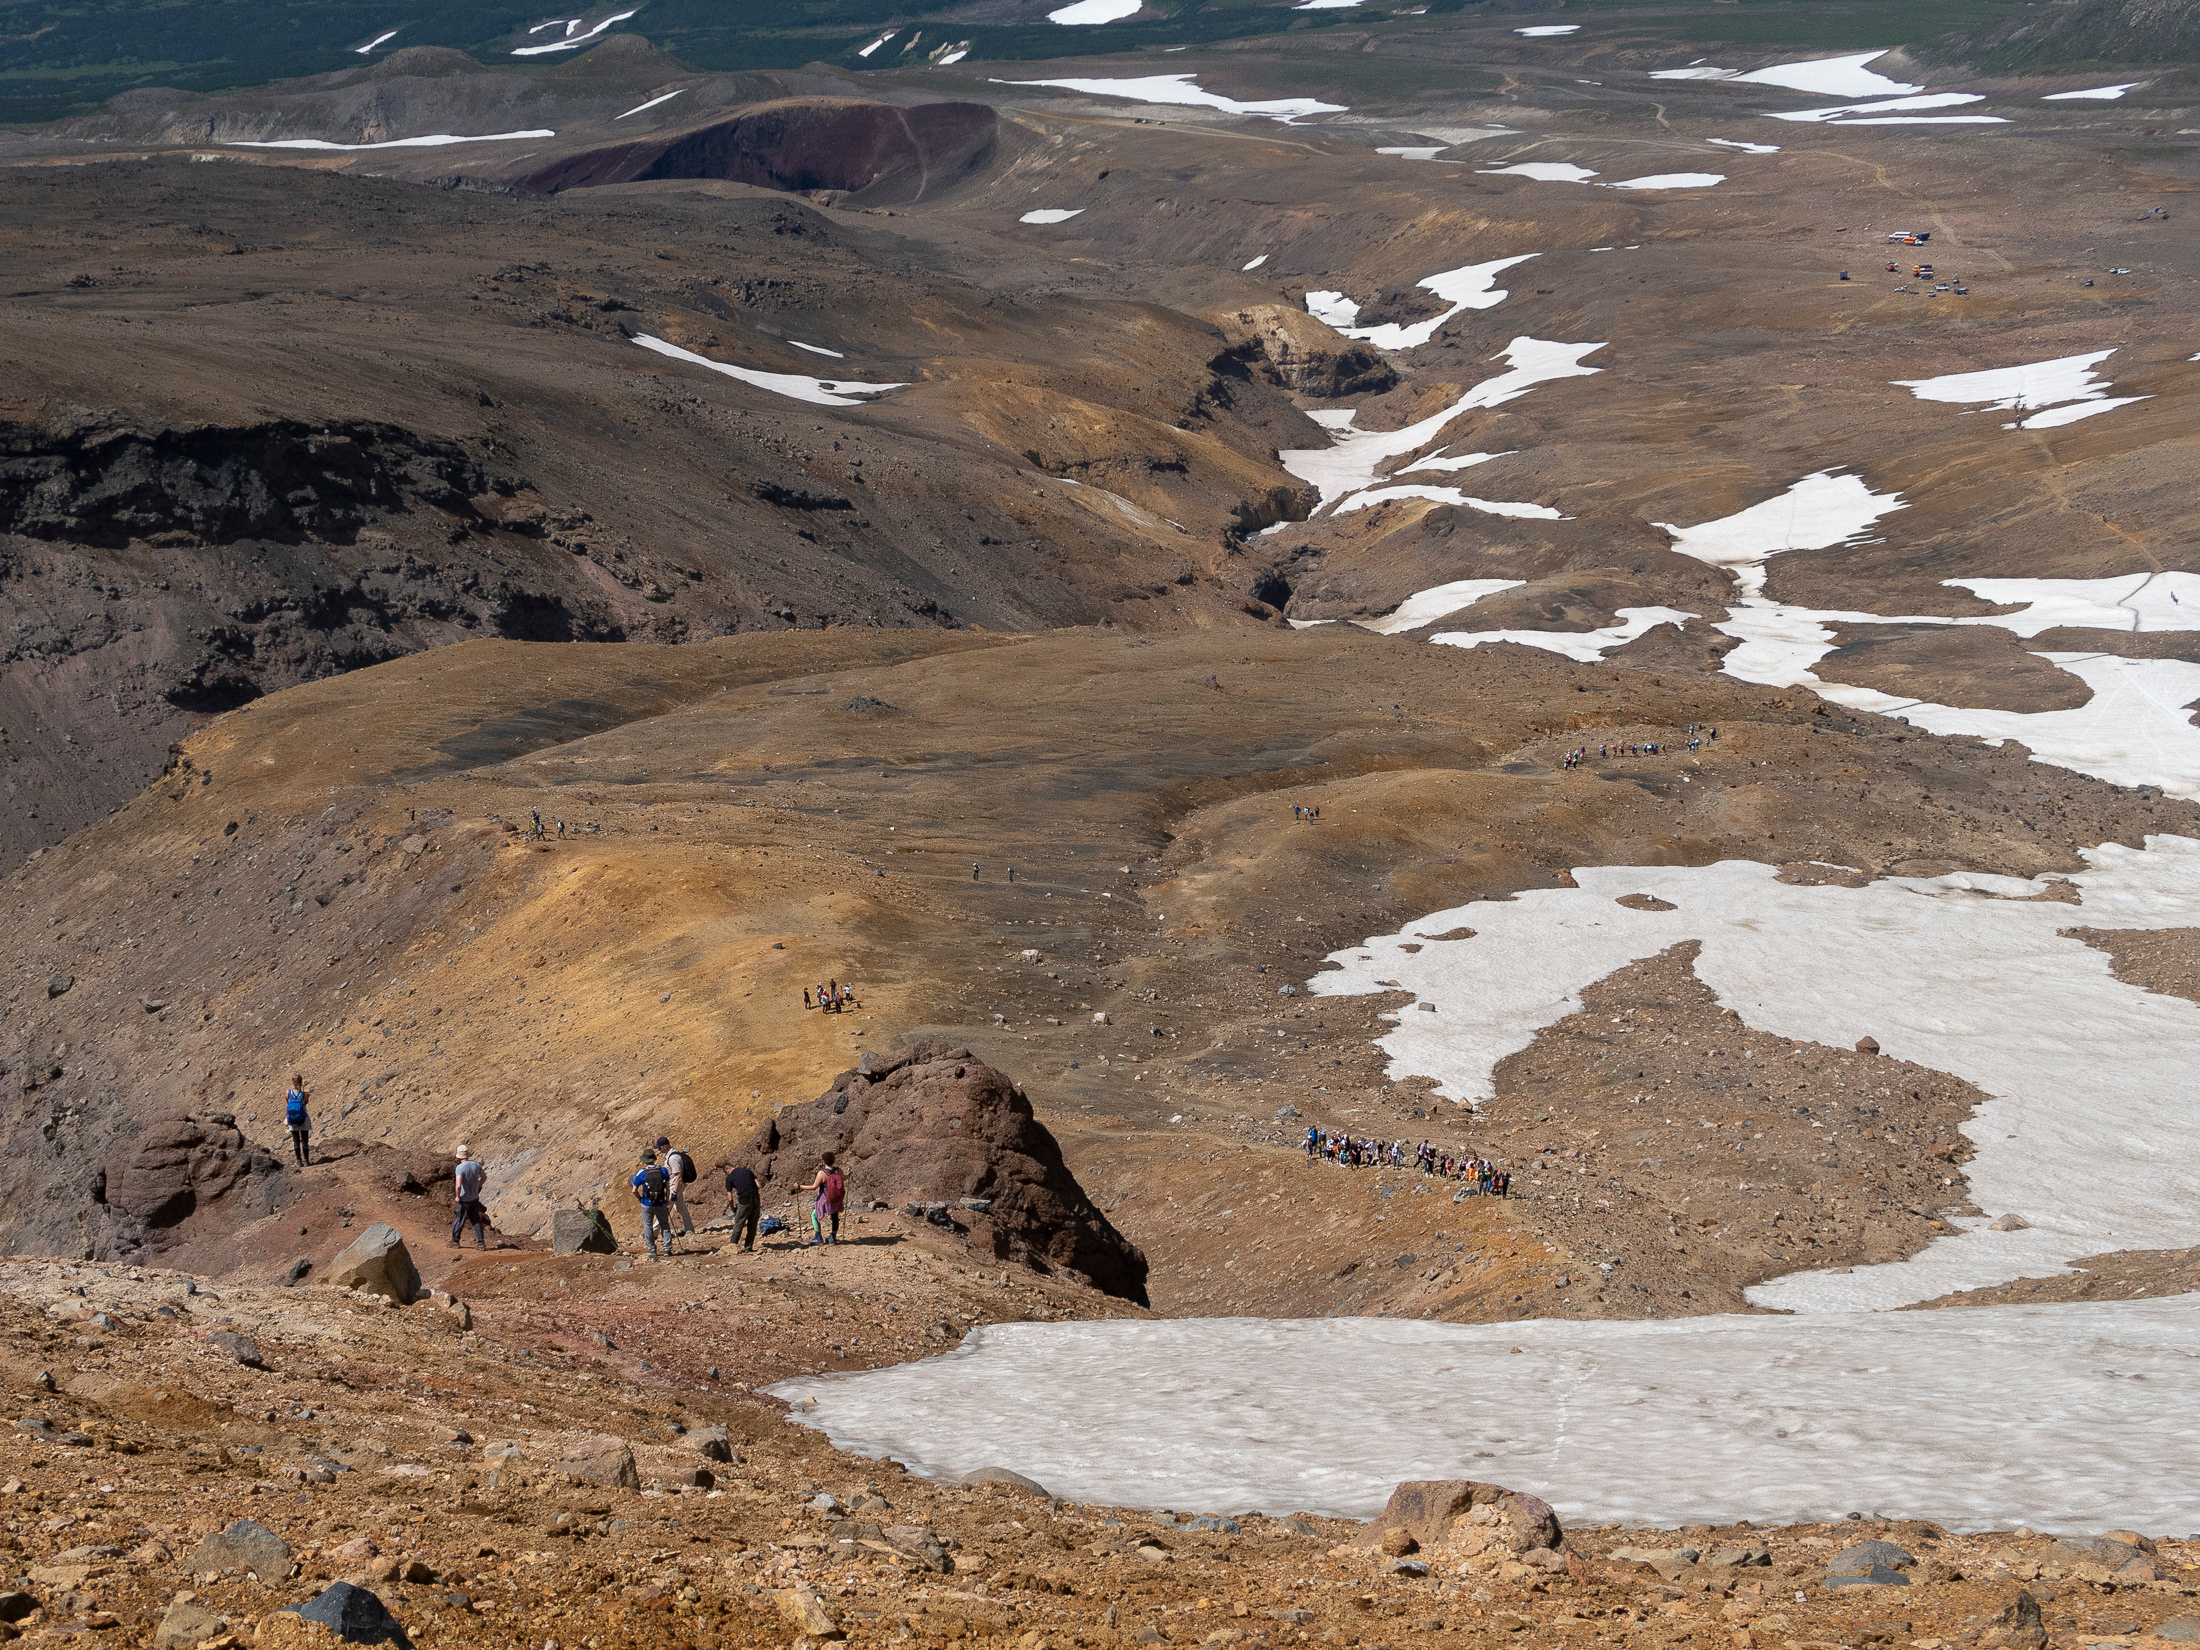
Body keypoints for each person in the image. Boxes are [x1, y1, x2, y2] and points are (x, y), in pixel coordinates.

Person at [632, 1149, 675, 1260]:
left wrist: (639, 1198)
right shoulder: (663, 1171)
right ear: (654, 1159)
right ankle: (667, 1249)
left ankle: (652, 1250)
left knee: (648, 1226)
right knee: (664, 1224)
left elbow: (634, 1190)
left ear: (645, 1160)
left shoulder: (642, 1173)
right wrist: (667, 1200)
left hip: (646, 1203)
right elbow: (667, 1187)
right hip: (661, 1203)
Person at [797, 1152, 845, 1246]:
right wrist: (849, 1174)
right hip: (836, 1198)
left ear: (823, 1161)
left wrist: (800, 1187)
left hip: (825, 1199)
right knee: (835, 1216)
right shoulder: (838, 1170)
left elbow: (814, 1187)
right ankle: (833, 1238)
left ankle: (818, 1237)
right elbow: (844, 1178)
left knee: (814, 1215)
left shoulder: (821, 1173)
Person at [657, 1136, 697, 1238]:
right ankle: (689, 1228)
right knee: (681, 1208)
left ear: (665, 1146)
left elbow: (678, 1175)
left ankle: (653, 1232)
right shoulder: (670, 1155)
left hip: (674, 1187)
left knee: (665, 1208)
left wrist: (674, 1191)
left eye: (659, 1147)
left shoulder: (673, 1158)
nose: (658, 1150)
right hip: (675, 1186)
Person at [451, 1144, 489, 1249]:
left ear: (458, 1156)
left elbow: (458, 1185)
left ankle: (455, 1242)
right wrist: (478, 1186)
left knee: (460, 1220)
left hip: (464, 1199)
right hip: (474, 1198)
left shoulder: (460, 1168)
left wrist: (458, 1196)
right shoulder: (475, 1165)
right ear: (467, 1155)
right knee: (476, 1220)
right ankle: (481, 1243)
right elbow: (484, 1176)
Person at [724, 1161, 762, 1253]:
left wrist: (733, 1208)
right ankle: (748, 1247)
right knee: (752, 1224)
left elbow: (730, 1198)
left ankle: (732, 1246)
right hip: (756, 1199)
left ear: (727, 1171)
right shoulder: (748, 1171)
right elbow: (758, 1185)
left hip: (744, 1201)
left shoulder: (729, 1177)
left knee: (739, 1223)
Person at [284, 1074, 312, 1167]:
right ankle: (306, 1161)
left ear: (292, 1082)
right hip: (303, 1118)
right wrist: (302, 1090)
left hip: (292, 1119)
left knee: (296, 1141)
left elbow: (287, 1103)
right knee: (304, 1141)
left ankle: (298, 1161)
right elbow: (305, 1103)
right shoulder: (305, 1094)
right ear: (301, 1082)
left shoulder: (288, 1092)